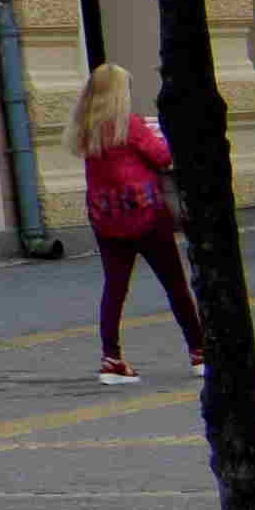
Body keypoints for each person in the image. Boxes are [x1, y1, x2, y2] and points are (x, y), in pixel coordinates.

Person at [74, 62, 203, 382]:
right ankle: (200, 352)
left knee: (114, 289)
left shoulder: (86, 129)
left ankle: (111, 359)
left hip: (106, 218)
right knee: (175, 285)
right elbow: (163, 157)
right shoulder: (129, 125)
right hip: (146, 214)